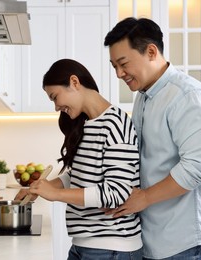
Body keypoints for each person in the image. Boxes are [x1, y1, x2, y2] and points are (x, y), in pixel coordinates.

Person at [103, 17, 201, 260]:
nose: (119, 73)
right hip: (153, 237)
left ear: (151, 51)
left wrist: (144, 198)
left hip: (183, 242)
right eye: (114, 66)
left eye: (123, 63)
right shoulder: (145, 96)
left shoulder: (190, 97)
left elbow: (199, 168)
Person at [15, 58, 143, 260]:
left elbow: (116, 193)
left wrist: (55, 195)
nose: (56, 107)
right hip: (84, 246)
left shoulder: (116, 124)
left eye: (55, 97)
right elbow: (81, 174)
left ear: (74, 82)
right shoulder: (86, 123)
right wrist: (44, 187)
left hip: (112, 248)